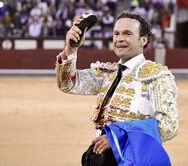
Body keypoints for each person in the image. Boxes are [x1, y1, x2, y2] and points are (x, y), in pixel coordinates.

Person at [55, 12, 178, 165]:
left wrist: (118, 138)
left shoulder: (157, 76)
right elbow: (69, 84)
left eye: (127, 33)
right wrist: (71, 50)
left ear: (143, 40)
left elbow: (168, 125)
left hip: (135, 160)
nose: (119, 39)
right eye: (116, 33)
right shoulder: (108, 73)